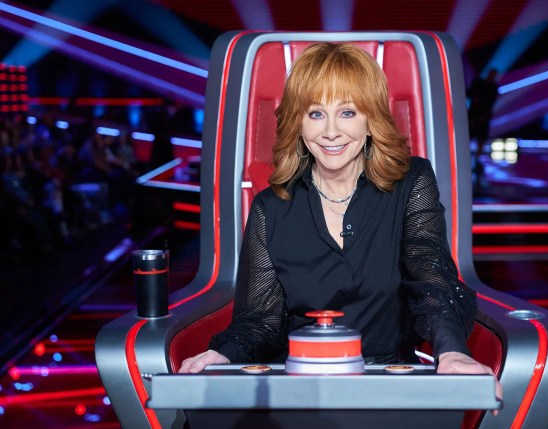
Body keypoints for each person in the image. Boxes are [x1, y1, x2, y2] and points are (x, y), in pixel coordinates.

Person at [179, 42, 501, 406]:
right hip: (300, 385)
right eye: (316, 114)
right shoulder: (270, 207)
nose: (330, 131)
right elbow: (260, 319)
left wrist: (451, 351)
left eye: (347, 112)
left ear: (371, 119)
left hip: (390, 384)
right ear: (298, 122)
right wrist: (222, 355)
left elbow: (430, 273)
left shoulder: (412, 181)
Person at [467, 68, 499, 190]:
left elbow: (490, 103)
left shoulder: (494, 88)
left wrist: (484, 117)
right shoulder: (478, 83)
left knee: (481, 139)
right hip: (473, 115)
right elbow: (470, 94)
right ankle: (467, 157)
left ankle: (477, 160)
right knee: (469, 137)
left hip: (484, 118)